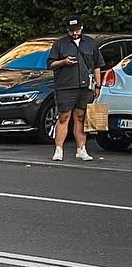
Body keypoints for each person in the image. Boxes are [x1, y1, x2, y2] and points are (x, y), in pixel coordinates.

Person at [47, 16, 103, 161]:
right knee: (64, 116)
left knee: (81, 117)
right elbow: (50, 64)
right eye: (71, 31)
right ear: (67, 30)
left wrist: (98, 85)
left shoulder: (91, 43)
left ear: (82, 27)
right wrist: (64, 62)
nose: (75, 33)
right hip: (65, 86)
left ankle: (81, 149)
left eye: (77, 30)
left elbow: (97, 65)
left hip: (85, 86)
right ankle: (59, 149)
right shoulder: (59, 44)